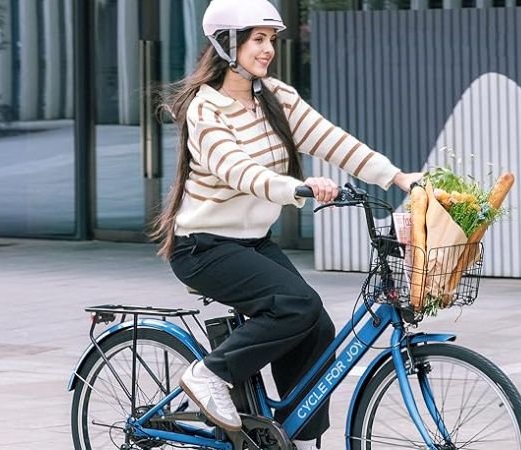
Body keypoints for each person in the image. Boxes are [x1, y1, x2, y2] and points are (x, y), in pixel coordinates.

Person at [151, 0, 422, 448]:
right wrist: (296, 187)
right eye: (258, 39)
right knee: (294, 304)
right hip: (203, 248)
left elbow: (332, 140)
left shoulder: (276, 97)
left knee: (317, 326)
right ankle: (208, 373)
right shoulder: (206, 110)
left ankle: (291, 437)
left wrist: (396, 177)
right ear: (226, 44)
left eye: (271, 40)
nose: (268, 50)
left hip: (252, 242)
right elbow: (239, 171)